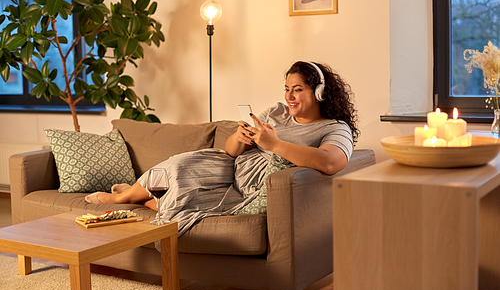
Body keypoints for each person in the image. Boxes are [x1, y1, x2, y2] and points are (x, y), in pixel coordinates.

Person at [85, 61, 359, 236]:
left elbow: (331, 162)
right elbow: (230, 151)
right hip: (230, 166)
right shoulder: (277, 111)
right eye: (287, 88)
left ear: (320, 92)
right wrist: (241, 138)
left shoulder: (334, 128)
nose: (289, 96)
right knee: (179, 166)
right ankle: (127, 197)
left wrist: (274, 144)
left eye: (297, 89)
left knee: (188, 202)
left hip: (255, 185)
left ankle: (136, 197)